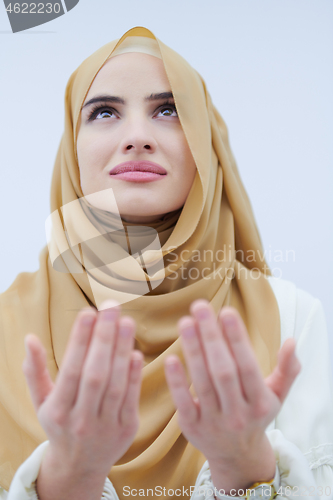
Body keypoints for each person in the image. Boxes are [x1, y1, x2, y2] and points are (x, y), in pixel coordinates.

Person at [0, 26, 332, 500]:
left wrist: (244, 468)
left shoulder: (293, 319)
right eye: (104, 112)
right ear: (71, 149)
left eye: (169, 110)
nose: (137, 137)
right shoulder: (5, 326)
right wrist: (70, 477)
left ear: (205, 146)